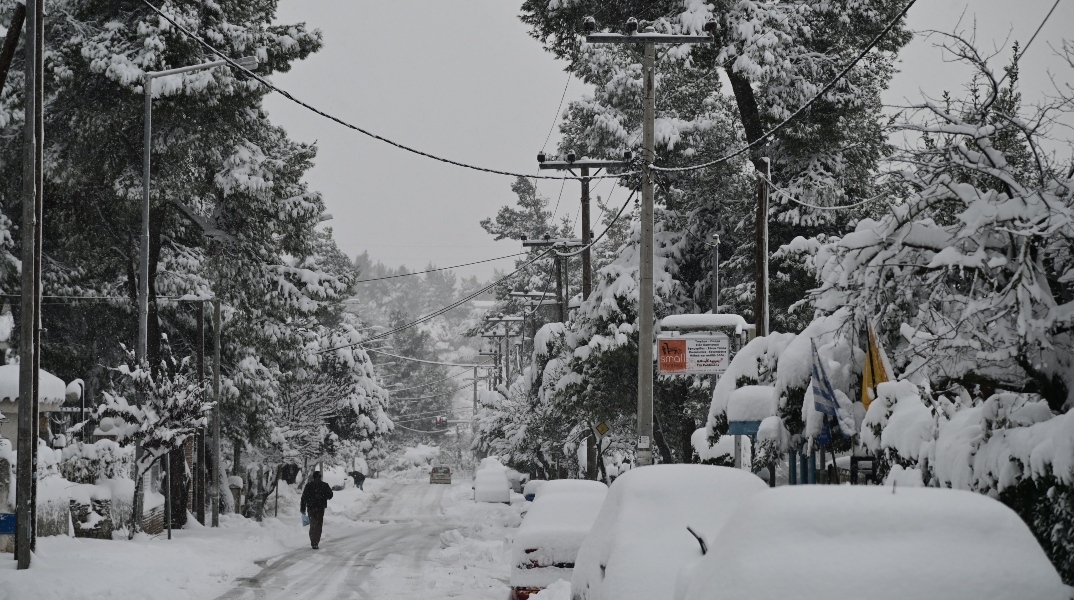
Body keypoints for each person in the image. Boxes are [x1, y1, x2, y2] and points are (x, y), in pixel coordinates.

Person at [300, 471, 333, 549]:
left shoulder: (309, 485)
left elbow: (304, 497)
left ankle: (313, 541)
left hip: (311, 508)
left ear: (313, 477)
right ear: (320, 477)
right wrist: (324, 496)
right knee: (318, 525)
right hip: (320, 508)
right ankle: (316, 542)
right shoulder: (324, 485)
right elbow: (330, 495)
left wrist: (303, 508)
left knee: (312, 524)